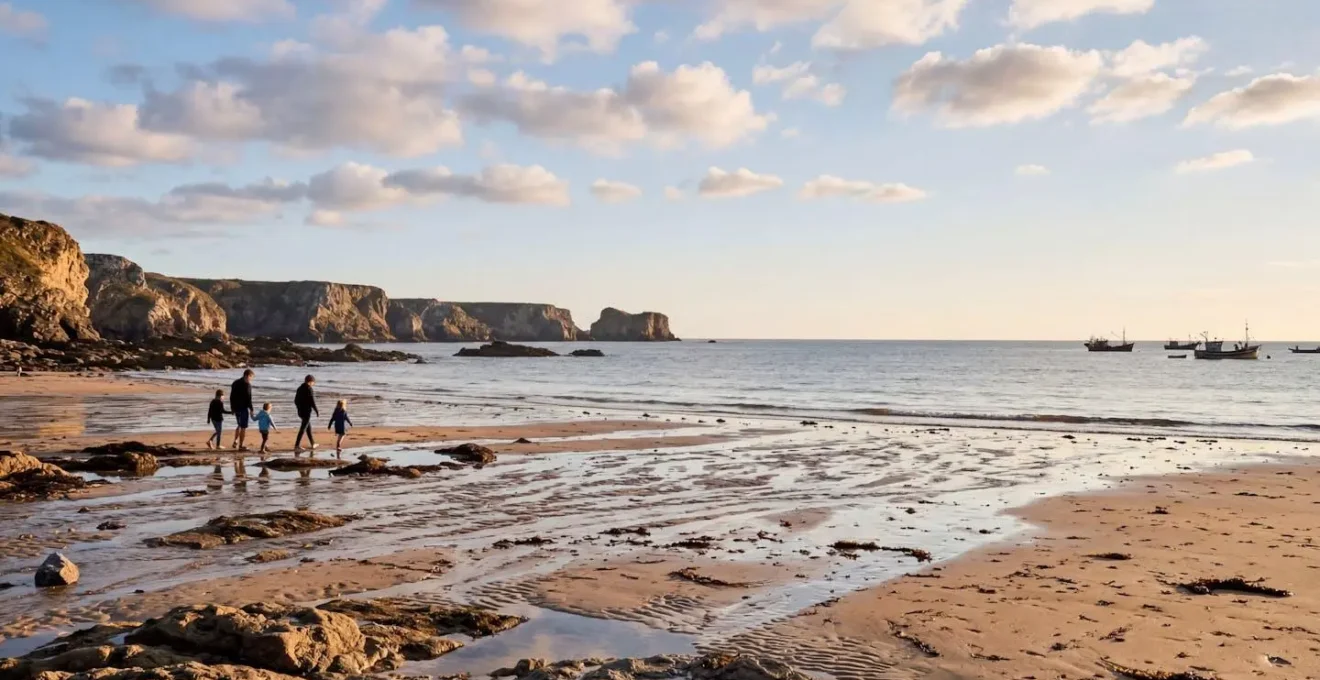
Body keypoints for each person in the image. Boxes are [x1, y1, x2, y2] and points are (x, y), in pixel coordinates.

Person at [230, 369, 256, 450]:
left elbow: (232, 396)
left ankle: (235, 440)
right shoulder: (247, 385)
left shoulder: (235, 383)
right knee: (243, 427)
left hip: (236, 407)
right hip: (243, 408)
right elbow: (249, 398)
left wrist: (232, 407)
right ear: (247, 376)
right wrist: (251, 409)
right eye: (251, 377)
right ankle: (241, 445)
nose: (251, 379)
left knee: (239, 425)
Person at [293, 375, 319, 454]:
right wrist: (316, 410)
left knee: (308, 427)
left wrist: (299, 408)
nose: (313, 384)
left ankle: (313, 443)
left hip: (300, 411)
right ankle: (297, 445)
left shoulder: (299, 388)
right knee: (303, 428)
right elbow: (312, 401)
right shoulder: (309, 389)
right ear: (311, 382)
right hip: (306, 411)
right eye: (313, 383)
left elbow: (295, 400)